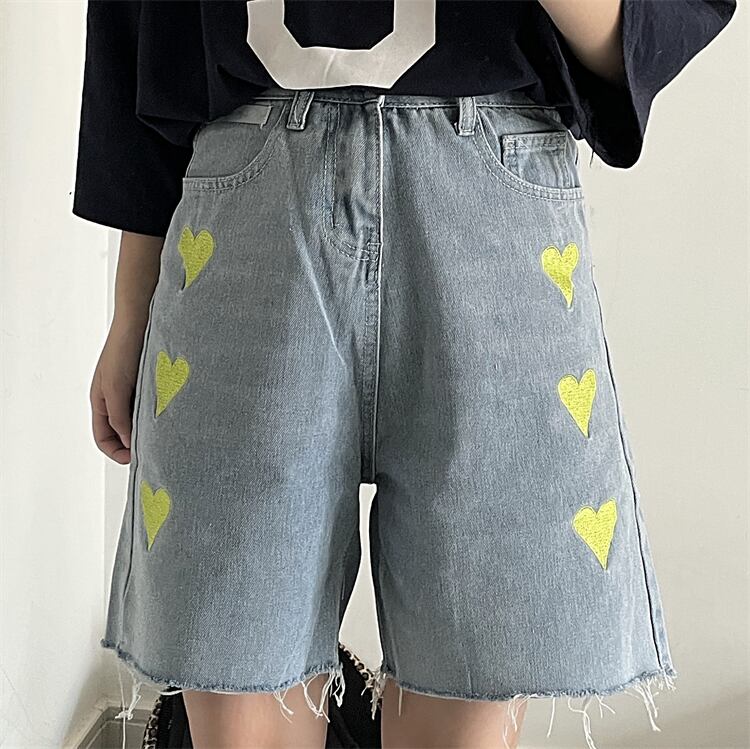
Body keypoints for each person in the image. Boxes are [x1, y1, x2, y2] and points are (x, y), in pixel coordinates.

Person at [72, 1, 736, 747]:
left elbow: (634, 38)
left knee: (476, 680)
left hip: (492, 202)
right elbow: (139, 33)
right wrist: (131, 310)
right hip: (246, 195)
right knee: (237, 683)